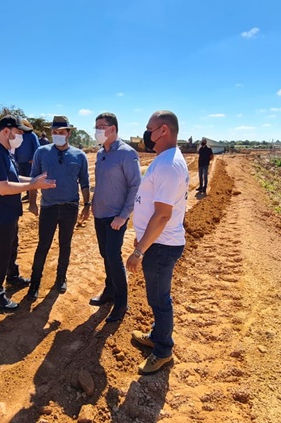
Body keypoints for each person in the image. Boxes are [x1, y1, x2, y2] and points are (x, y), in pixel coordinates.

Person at [127, 110, 189, 374]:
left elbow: (163, 215)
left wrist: (140, 251)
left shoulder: (167, 165)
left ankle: (163, 351)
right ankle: (156, 337)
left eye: (149, 128)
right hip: (158, 243)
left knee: (159, 299)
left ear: (163, 130)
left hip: (161, 246)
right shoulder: (167, 160)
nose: (146, 134)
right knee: (156, 296)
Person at [0, 115, 56, 311]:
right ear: (6, 131)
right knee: (1, 255)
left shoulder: (3, 150)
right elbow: (3, 187)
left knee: (12, 247)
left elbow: (11, 176)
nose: (21, 137)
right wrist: (32, 185)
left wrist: (32, 180)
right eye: (19, 133)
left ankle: (12, 277)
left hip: (7, 213)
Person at [26, 116, 90, 300]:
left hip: (70, 207)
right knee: (43, 246)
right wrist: (32, 202)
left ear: (69, 133)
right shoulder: (41, 152)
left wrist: (87, 205)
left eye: (61, 132)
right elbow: (34, 179)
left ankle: (61, 278)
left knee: (65, 244)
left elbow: (84, 182)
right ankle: (35, 282)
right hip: (48, 206)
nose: (57, 135)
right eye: (54, 132)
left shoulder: (79, 155)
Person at [90, 112, 141, 323]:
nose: (97, 131)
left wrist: (123, 216)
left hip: (115, 217)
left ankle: (121, 303)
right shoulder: (101, 153)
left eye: (101, 127)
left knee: (113, 256)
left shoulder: (127, 154)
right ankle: (109, 290)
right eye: (96, 126)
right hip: (99, 215)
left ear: (113, 129)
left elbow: (135, 186)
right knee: (105, 254)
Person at [13, 119, 40, 201]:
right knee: (21, 177)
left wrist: (33, 158)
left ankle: (31, 194)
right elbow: (15, 148)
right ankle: (25, 193)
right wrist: (15, 159)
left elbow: (37, 147)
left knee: (30, 178)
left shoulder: (32, 135)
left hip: (29, 162)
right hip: (20, 162)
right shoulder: (17, 135)